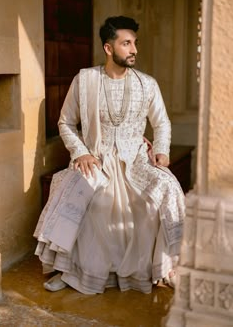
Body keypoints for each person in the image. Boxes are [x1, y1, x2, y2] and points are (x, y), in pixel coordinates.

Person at [34, 16, 185, 294]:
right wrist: (80, 152)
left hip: (136, 158)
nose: (134, 49)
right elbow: (66, 122)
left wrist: (161, 150)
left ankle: (166, 268)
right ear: (108, 47)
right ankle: (71, 272)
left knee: (166, 188)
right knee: (91, 200)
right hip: (97, 157)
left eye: (134, 43)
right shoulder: (85, 80)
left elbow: (161, 122)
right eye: (126, 43)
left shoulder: (147, 84)